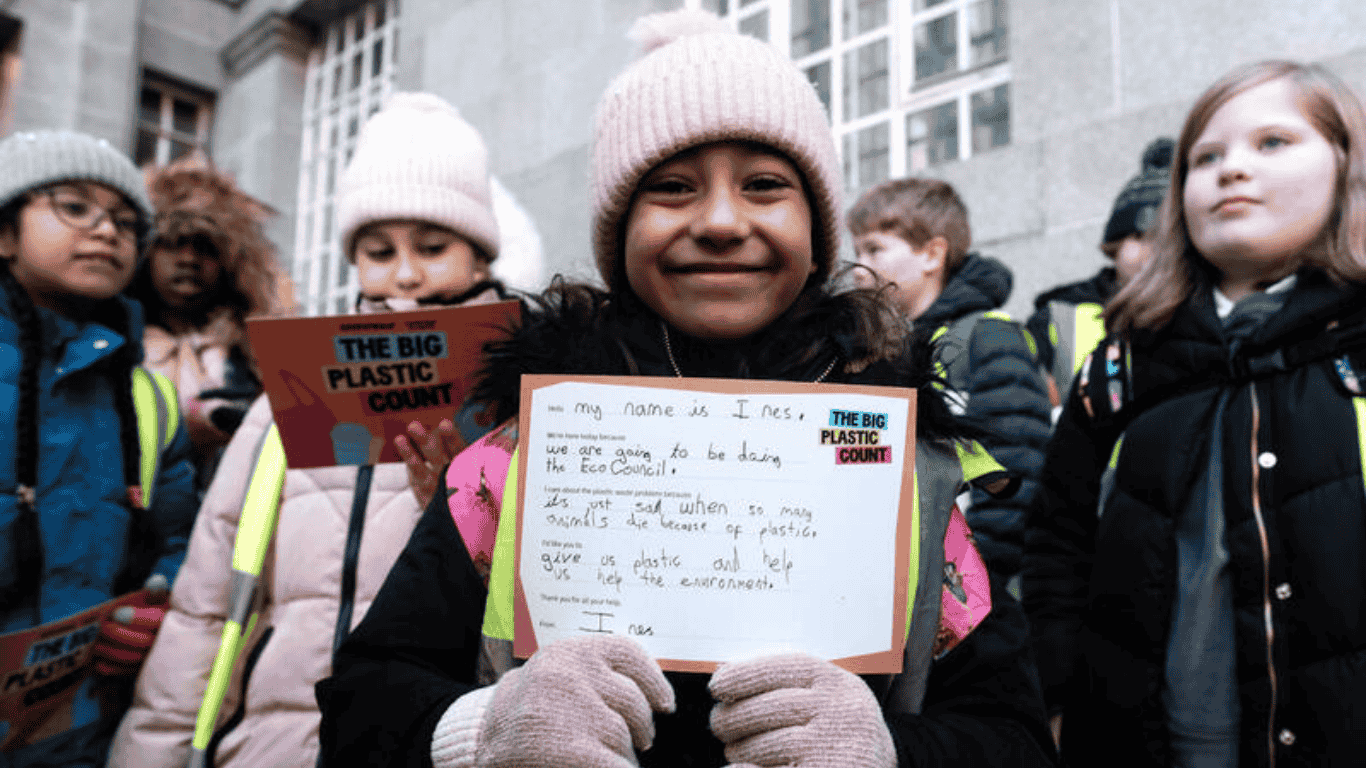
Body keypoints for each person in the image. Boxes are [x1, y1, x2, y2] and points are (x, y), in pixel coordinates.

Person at [315, 11, 1055, 768]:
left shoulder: (906, 473)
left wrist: (888, 751)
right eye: (671, 188)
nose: (723, 221)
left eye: (765, 185)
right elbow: (360, 709)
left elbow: (1016, 737)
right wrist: (482, 730)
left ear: (817, 230)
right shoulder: (512, 463)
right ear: (619, 231)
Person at [107, 92, 513, 768]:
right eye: (378, 251)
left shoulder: (519, 405)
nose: (404, 274)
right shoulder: (283, 401)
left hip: (430, 745)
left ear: (479, 260)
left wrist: (458, 504)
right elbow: (204, 611)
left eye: (434, 248)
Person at [1023, 59, 1366, 766]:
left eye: (1272, 142)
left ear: (1347, 165)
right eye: (1204, 157)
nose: (1231, 169)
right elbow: (1057, 544)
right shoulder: (1121, 364)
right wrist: (1055, 701)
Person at [0, 130, 197, 766]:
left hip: (83, 734)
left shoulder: (152, 400)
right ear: (4, 234)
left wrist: (154, 616)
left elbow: (180, 543)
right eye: (74, 206)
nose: (106, 231)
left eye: (123, 221)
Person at [848, 178, 1051, 582]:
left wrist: (971, 591)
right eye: (855, 252)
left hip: (967, 599)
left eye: (874, 249)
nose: (857, 270)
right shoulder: (880, 352)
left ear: (932, 254)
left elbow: (1013, 483)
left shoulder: (988, 337)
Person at [125, 153, 290, 486]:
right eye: (172, 243)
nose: (189, 259)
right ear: (144, 251)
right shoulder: (111, 346)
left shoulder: (260, 361)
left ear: (232, 260)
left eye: (206, 246)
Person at [1024, 137, 1173, 411]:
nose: (1157, 254)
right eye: (1143, 236)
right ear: (1114, 246)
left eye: (1172, 240)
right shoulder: (1057, 321)